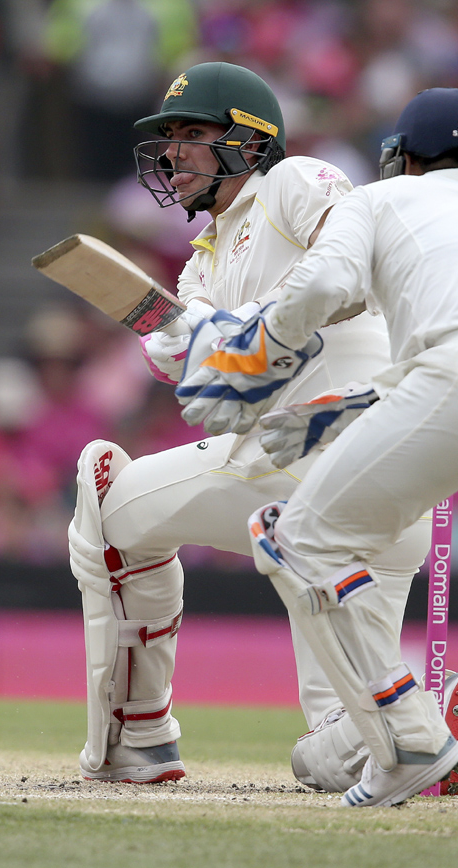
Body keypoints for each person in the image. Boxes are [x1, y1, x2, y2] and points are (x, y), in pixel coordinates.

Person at [175, 87, 458, 806]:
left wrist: (247, 358)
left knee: (296, 539)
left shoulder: (380, 200)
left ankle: (409, 739)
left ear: (399, 160)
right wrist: (347, 408)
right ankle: (409, 734)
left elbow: (326, 280)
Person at [68, 61, 437, 792]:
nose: (171, 153)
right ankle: (417, 722)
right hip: (384, 502)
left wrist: (243, 335)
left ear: (248, 140)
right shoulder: (201, 266)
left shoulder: (294, 183)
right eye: (167, 138)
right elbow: (196, 365)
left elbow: (353, 268)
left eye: (192, 134)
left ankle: (137, 738)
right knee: (333, 753)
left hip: (308, 460)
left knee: (103, 502)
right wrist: (183, 345)